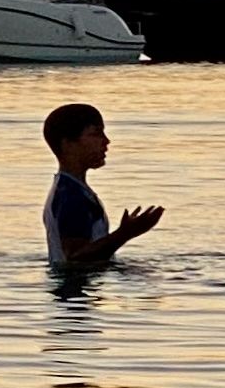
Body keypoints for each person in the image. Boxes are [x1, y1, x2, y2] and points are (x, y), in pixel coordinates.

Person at [41, 102, 162, 269]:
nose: (106, 141)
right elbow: (75, 257)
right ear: (68, 143)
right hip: (76, 291)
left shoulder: (71, 189)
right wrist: (125, 234)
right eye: (96, 134)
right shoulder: (72, 196)